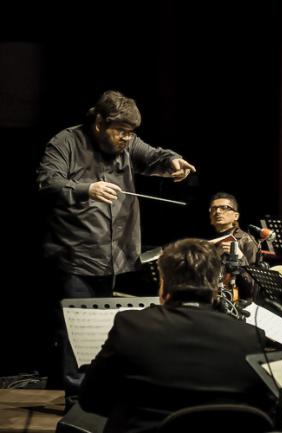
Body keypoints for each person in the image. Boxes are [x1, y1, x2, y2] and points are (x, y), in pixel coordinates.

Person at [36, 90, 196, 400]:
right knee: (77, 332)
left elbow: (154, 156)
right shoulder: (66, 142)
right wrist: (87, 188)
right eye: (120, 131)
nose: (126, 138)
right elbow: (48, 182)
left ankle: (99, 397)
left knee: (105, 330)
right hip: (76, 256)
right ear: (98, 123)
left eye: (130, 132)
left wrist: (172, 161)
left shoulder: (128, 143)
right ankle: (76, 404)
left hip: (114, 258)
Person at [79, 238, 270, 433]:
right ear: (216, 282)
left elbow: (90, 400)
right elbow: (262, 409)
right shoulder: (250, 337)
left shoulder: (131, 325)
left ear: (163, 282)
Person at [208, 192, 258, 265]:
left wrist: (240, 257)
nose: (217, 212)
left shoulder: (247, 240)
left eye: (224, 207)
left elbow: (252, 275)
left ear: (236, 216)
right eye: (214, 208)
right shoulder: (207, 239)